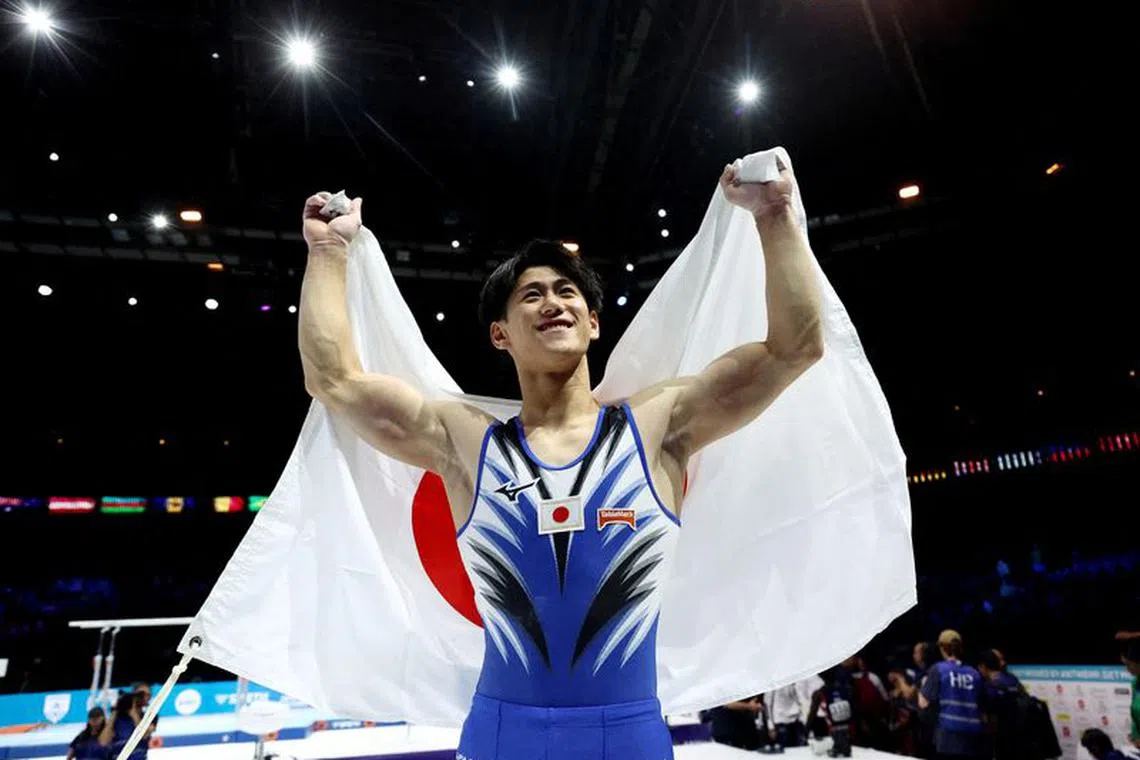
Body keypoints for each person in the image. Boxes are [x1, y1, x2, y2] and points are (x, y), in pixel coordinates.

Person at [298, 156, 824, 760]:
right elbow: (333, 379)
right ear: (500, 334)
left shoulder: (659, 426)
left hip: (626, 738)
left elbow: (795, 347)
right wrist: (328, 252)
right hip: (504, 737)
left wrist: (775, 215)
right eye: (532, 295)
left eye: (567, 291)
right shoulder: (464, 441)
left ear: (593, 323)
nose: (553, 302)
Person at [918, 630, 987, 760]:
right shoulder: (974, 673)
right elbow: (982, 706)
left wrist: (923, 685)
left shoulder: (939, 669)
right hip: (973, 735)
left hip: (948, 734)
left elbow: (923, 703)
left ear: (942, 648)